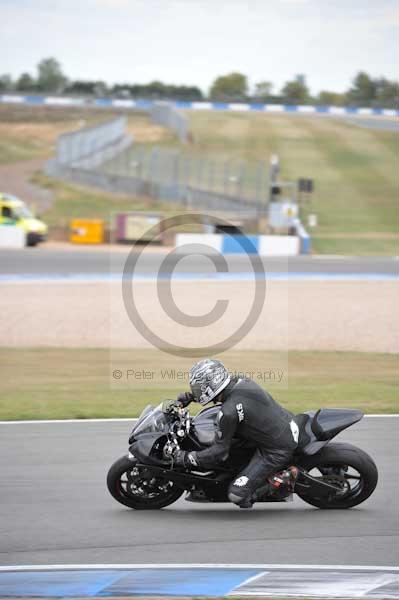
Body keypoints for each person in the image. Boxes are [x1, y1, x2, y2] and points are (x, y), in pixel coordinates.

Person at [173, 358, 299, 508]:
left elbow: (219, 453)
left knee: (236, 495)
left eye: (199, 387)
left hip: (276, 449)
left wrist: (187, 458)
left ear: (211, 385)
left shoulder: (229, 412)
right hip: (284, 424)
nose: (197, 390)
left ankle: (283, 479)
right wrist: (192, 397)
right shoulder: (240, 379)